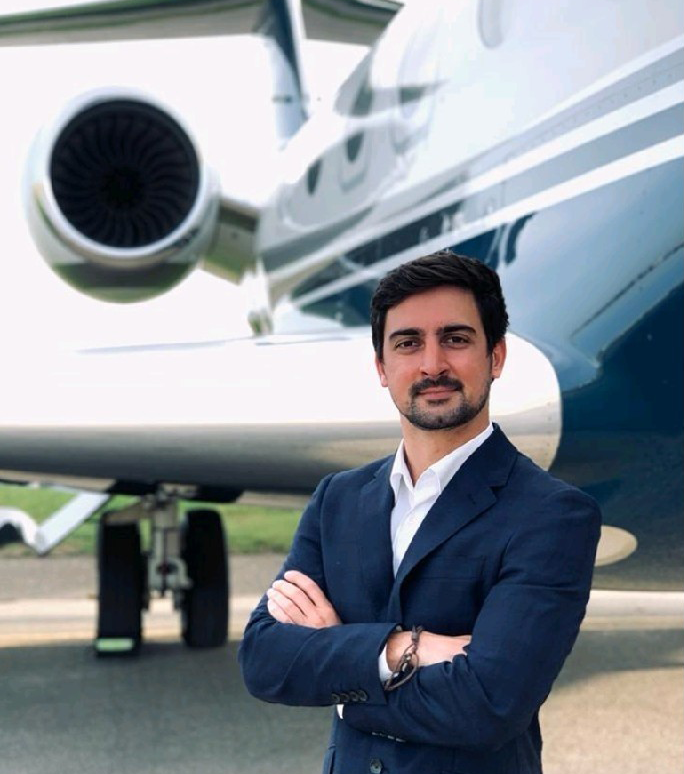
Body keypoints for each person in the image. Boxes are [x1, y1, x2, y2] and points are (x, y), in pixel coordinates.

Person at [238, 251, 601, 774]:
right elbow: (264, 660)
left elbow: (488, 707)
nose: (432, 364)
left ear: (496, 357)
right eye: (408, 343)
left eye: (455, 338)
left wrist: (342, 678)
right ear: (383, 369)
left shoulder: (553, 514)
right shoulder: (336, 499)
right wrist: (404, 648)